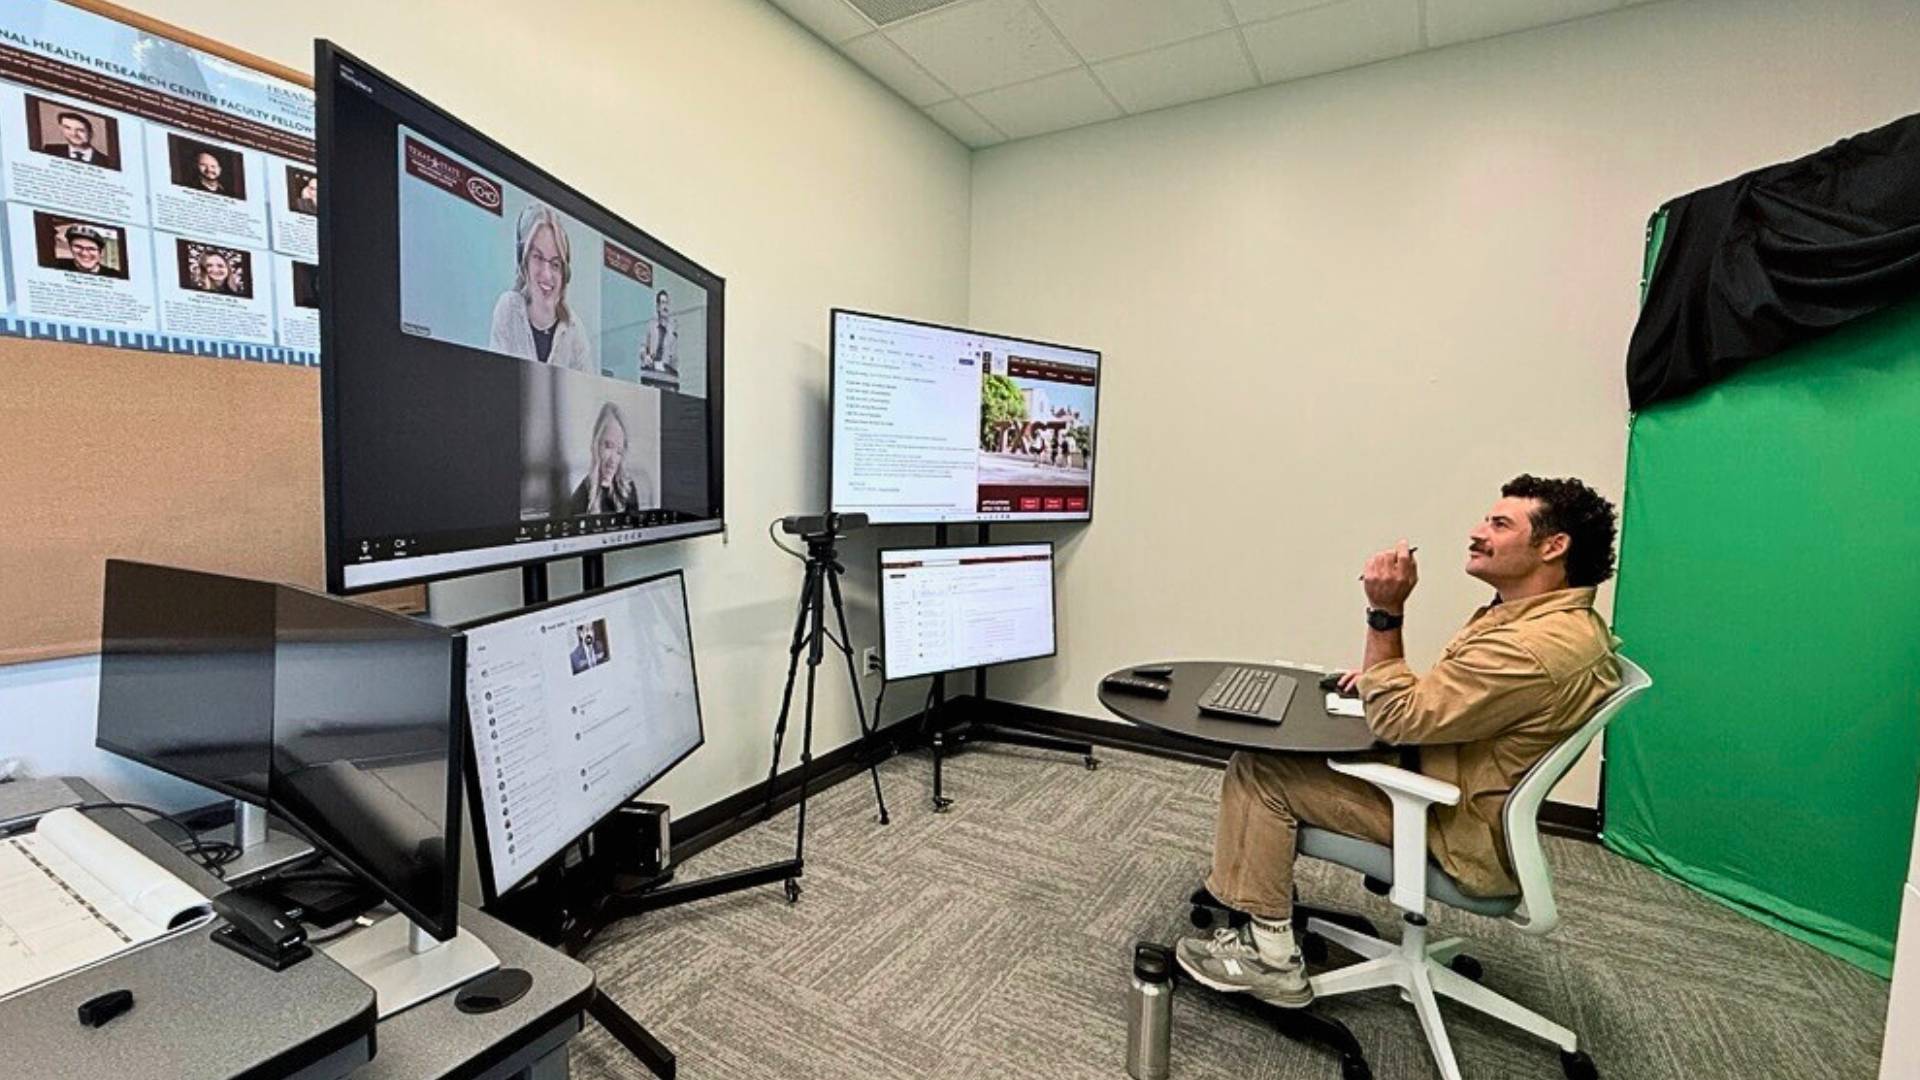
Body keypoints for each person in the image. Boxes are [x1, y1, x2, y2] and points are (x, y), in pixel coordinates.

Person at [1175, 475, 1623, 1008]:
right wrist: (1382, 681)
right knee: (1300, 754)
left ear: (1553, 546)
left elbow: (1399, 721)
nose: (1477, 533)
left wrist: (1384, 613)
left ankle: (1270, 960)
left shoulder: (1531, 648)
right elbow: (1462, 702)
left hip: (1450, 827)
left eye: (1500, 525)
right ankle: (1262, 890)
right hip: (1460, 791)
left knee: (1261, 771)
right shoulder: (1560, 625)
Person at [488, 203, 594, 372]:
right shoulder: (508, 309)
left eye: (555, 264)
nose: (546, 274)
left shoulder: (574, 329)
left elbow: (588, 387)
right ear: (524, 262)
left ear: (565, 274)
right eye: (537, 257)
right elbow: (495, 378)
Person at [570, 402, 655, 514]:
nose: (613, 461)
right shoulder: (580, 497)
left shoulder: (628, 490)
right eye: (608, 446)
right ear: (596, 445)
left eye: (619, 452)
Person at [43, 111, 116, 169]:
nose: (73, 134)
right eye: (67, 128)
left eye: (80, 130)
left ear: (91, 133)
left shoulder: (107, 162)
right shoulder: (50, 150)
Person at [641, 290, 678, 374]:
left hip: (666, 371)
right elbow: (643, 347)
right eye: (663, 303)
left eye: (667, 303)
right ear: (658, 306)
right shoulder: (651, 325)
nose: (665, 307)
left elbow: (674, 358)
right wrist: (645, 356)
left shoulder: (672, 331)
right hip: (650, 369)